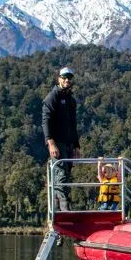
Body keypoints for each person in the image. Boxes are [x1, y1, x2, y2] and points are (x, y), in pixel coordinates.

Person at [42, 67, 81, 211]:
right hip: (57, 143)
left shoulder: (71, 100)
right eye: (64, 77)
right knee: (60, 174)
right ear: (59, 78)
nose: (67, 80)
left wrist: (76, 146)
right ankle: (63, 209)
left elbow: (73, 124)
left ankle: (61, 206)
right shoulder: (52, 97)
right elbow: (46, 121)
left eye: (69, 78)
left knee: (67, 174)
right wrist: (50, 143)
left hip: (69, 143)